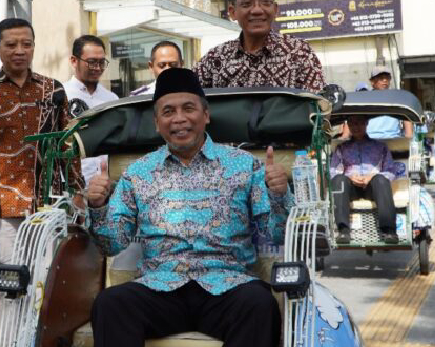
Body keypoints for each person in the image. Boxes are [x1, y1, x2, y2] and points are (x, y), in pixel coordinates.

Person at [86, 68, 293, 346]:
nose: (180, 119)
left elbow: (278, 234)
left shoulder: (244, 165)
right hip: (160, 286)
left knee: (259, 303)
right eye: (168, 111)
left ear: (205, 115)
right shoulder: (138, 173)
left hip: (228, 284)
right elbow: (112, 244)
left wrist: (278, 193)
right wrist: (98, 206)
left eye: (188, 108)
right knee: (111, 303)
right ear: (157, 122)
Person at [0, 18, 81, 328]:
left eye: (26, 44)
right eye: (11, 45)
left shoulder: (52, 89)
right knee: (7, 284)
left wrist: (77, 191)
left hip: (47, 203)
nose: (20, 51)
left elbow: (66, 142)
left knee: (46, 282)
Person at [193, 0, 325, 92]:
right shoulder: (215, 59)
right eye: (247, 4)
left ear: (275, 9)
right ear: (233, 12)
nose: (257, 10)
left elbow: (317, 108)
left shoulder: (299, 53)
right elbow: (188, 100)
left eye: (265, 2)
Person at [331, 115, 398, 244]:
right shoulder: (341, 148)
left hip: (372, 187)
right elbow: (333, 172)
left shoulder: (380, 146)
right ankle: (343, 231)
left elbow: (391, 171)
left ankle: (389, 231)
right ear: (348, 125)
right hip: (351, 187)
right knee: (339, 180)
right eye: (353, 123)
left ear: (367, 123)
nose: (356, 127)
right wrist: (349, 177)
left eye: (360, 123)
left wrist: (372, 176)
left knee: (381, 179)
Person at [64, 35, 119, 182]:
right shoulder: (61, 95)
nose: (98, 68)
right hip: (71, 184)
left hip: (105, 183)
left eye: (102, 62)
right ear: (74, 61)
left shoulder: (112, 99)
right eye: (92, 62)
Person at [365, 66, 414, 139]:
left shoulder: (397, 98)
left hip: (392, 139)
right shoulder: (365, 99)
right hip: (371, 139)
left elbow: (406, 117)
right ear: (372, 82)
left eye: (387, 78)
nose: (385, 80)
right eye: (381, 78)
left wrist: (409, 136)